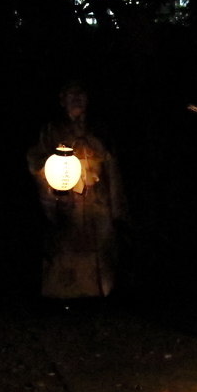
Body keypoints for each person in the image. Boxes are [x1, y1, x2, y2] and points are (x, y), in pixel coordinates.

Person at [27, 82, 127, 300]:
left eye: (80, 94)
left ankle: (100, 295)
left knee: (99, 245)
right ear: (62, 100)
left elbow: (112, 165)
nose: (76, 100)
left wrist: (116, 202)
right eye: (71, 95)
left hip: (96, 199)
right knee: (66, 247)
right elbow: (36, 159)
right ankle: (65, 297)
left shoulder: (98, 128)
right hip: (66, 199)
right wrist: (55, 181)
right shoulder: (52, 129)